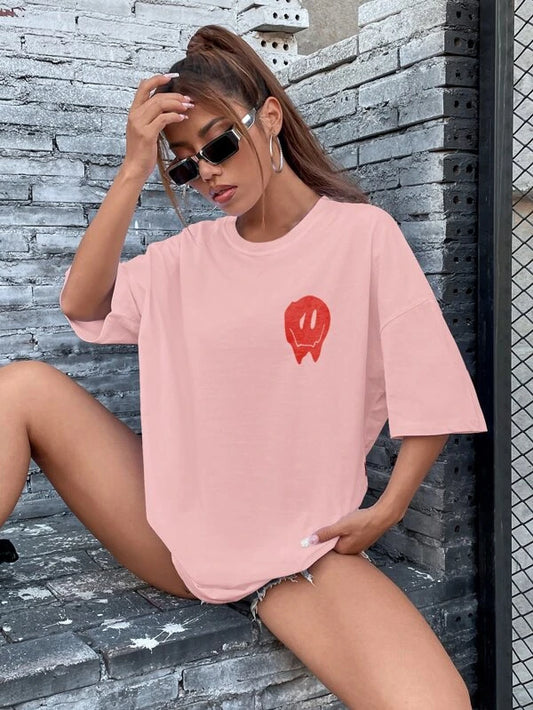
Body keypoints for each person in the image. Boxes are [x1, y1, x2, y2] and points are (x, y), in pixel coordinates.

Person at [0, 24, 487, 710]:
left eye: (219, 144)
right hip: (171, 529)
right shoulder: (187, 257)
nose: (206, 173)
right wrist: (134, 167)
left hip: (298, 550)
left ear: (271, 118)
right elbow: (82, 302)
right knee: (19, 386)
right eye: (184, 164)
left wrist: (388, 509)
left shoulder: (361, 236)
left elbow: (429, 383)